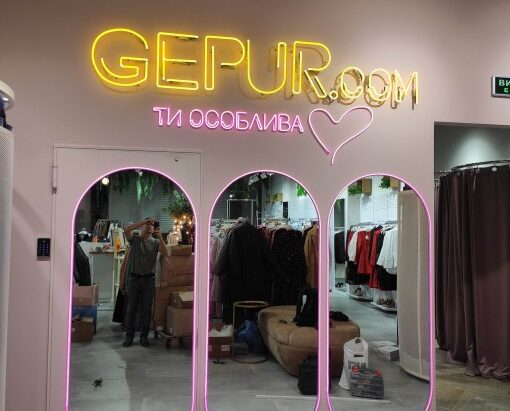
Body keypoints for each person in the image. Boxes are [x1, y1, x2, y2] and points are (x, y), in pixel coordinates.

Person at [122, 218, 168, 347]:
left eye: (152, 225)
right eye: (148, 224)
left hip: (149, 280)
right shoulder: (135, 240)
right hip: (134, 279)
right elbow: (126, 230)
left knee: (146, 310)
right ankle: (129, 337)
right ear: (142, 227)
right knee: (131, 310)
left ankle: (144, 337)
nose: (150, 226)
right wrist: (144, 221)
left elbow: (166, 253)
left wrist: (161, 237)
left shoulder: (156, 242)